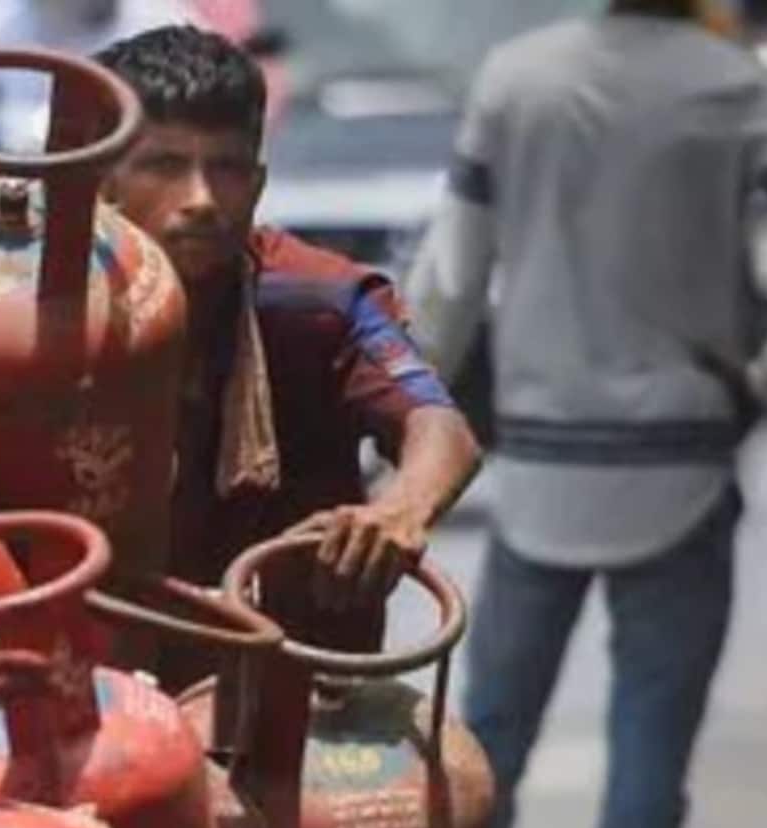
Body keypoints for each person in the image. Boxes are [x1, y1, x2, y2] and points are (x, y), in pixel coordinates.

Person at [403, 0, 767, 828]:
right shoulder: (742, 82)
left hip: (534, 459)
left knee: (485, 756)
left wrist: (407, 422)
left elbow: (448, 270)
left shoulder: (512, 78)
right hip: (677, 460)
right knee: (645, 761)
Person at [92, 25, 480, 668]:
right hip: (97, 682)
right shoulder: (29, 310)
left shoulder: (319, 298)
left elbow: (439, 427)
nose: (201, 200)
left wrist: (400, 511)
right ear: (100, 182)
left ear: (260, 182)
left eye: (228, 169)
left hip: (292, 680)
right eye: (164, 166)